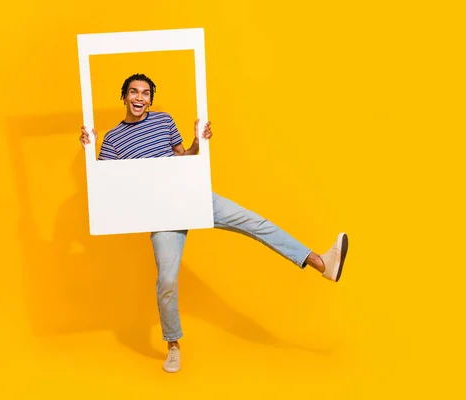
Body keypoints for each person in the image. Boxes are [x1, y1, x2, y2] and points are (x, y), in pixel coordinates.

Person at [79, 73, 349, 373]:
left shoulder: (164, 120)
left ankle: (321, 263)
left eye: (145, 93)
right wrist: (88, 150)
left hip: (190, 195)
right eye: (133, 92)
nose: (139, 98)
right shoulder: (114, 139)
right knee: (167, 281)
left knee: (254, 222)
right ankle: (173, 345)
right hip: (161, 213)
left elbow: (184, 159)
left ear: (150, 99)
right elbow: (103, 184)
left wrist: (197, 141)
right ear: (124, 96)